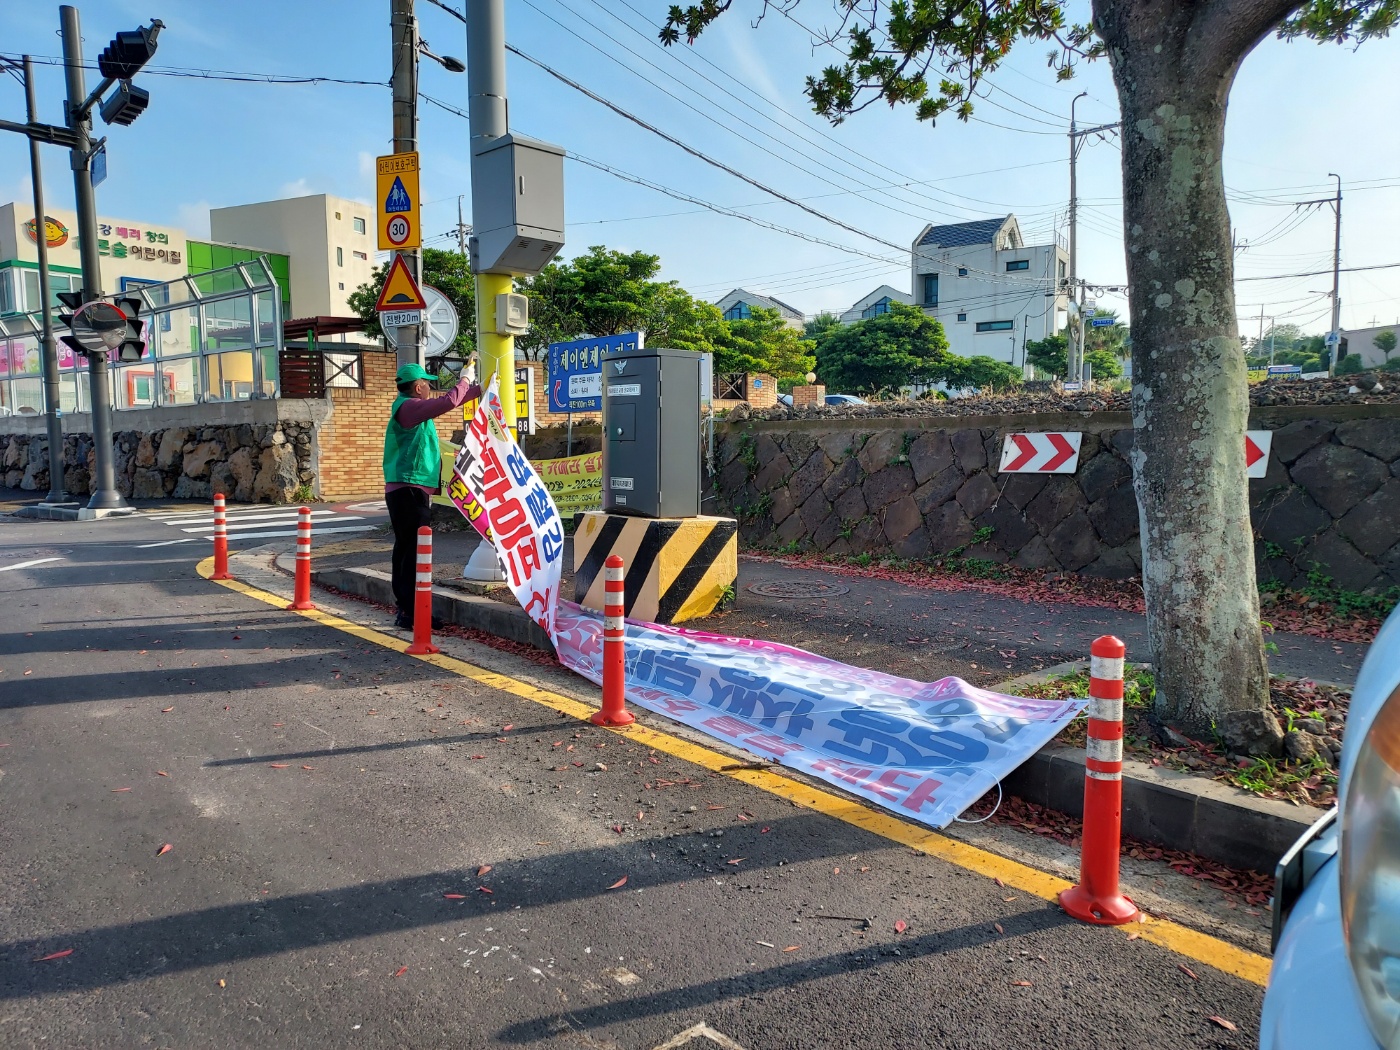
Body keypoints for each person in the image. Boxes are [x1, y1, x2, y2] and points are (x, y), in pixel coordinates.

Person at [383, 363, 480, 630]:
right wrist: (464, 380)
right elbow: (447, 403)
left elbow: (449, 401)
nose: (429, 386)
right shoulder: (409, 407)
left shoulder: (408, 408)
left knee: (406, 550)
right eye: (426, 382)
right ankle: (411, 612)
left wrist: (480, 389)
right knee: (413, 552)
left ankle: (408, 610)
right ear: (417, 387)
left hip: (407, 488)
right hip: (409, 489)